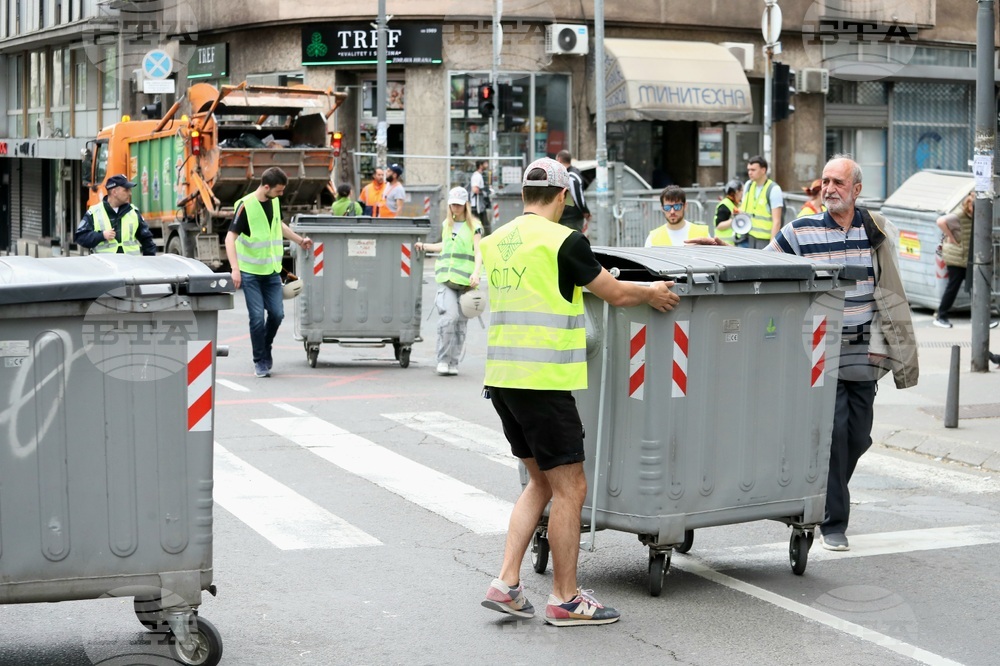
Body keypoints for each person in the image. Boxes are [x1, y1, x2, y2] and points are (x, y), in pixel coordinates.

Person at [479, 157, 679, 626]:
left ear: (523, 194)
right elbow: (615, 293)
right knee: (572, 488)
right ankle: (566, 598)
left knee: (540, 482)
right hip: (543, 382)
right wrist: (652, 292)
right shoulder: (564, 241)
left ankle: (506, 583)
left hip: (503, 381)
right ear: (563, 195)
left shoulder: (494, 241)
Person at [767, 156, 918, 552]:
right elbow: (764, 265)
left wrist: (883, 345)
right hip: (820, 347)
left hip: (864, 346)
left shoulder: (875, 229)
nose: (829, 188)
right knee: (834, 432)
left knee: (858, 436)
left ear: (856, 190)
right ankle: (833, 522)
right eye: (825, 181)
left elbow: (890, 288)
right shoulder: (800, 231)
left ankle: (821, 491)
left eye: (838, 182)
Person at [224, 167, 313, 378]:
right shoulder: (245, 206)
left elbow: (278, 225)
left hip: (272, 270)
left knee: (277, 314)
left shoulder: (274, 201)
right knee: (256, 317)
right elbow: (230, 238)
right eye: (278, 190)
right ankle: (260, 360)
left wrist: (299, 240)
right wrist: (235, 269)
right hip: (250, 273)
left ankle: (266, 346)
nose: (281, 194)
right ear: (266, 187)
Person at [414, 187, 483, 376]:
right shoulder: (447, 224)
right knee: (449, 318)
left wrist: (476, 273)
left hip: (467, 282)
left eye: (459, 205)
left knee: (460, 324)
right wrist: (425, 246)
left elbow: (479, 251)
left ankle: (453, 362)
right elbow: (445, 245)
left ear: (466, 205)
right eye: (453, 204)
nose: (455, 208)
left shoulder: (475, 226)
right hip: (447, 280)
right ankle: (443, 360)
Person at [75, 174, 157, 256]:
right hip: (105, 263)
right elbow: (81, 237)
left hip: (130, 263)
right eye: (126, 190)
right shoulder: (94, 212)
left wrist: (149, 260)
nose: (130, 193)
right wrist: (101, 235)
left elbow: (147, 240)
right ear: (114, 192)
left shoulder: (133, 212)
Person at [933, 192, 974, 328]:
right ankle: (941, 316)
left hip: (965, 257)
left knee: (975, 287)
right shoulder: (959, 214)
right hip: (956, 257)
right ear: (968, 204)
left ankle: (979, 317)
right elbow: (940, 221)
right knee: (954, 286)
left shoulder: (972, 215)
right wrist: (951, 236)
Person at [645, 185, 710, 246]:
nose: (672, 211)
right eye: (667, 207)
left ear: (685, 206)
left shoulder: (702, 234)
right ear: (662, 208)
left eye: (677, 206)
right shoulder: (653, 238)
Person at [741, 155, 784, 249]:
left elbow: (777, 222)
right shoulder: (748, 185)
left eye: (753, 170)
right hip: (749, 237)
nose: (750, 173)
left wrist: (772, 247)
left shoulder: (774, 189)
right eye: (749, 170)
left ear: (763, 170)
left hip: (765, 240)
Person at [555, 150, 591, 234]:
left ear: (559, 160)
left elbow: (578, 196)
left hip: (571, 218)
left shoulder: (571, 176)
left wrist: (585, 211)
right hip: (570, 218)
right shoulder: (572, 173)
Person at [713, 179, 742, 244]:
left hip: (731, 243)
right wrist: (736, 219)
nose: (742, 194)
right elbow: (719, 225)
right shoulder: (724, 205)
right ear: (737, 192)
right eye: (742, 191)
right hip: (725, 243)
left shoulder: (735, 204)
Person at [469, 159, 491, 229]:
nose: (487, 165)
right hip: (477, 206)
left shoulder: (479, 175)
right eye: (485, 163)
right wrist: (484, 192)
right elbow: (475, 189)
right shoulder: (477, 176)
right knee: (483, 224)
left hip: (480, 205)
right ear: (481, 165)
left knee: (483, 224)